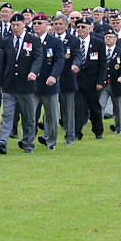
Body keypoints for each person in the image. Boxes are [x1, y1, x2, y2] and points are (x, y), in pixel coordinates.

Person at [0, 13, 42, 154]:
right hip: (9, 85)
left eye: (18, 25)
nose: (15, 28)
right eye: (13, 25)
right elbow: (4, 64)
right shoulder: (7, 41)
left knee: (28, 117)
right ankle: (2, 142)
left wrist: (33, 72)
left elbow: (38, 58)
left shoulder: (33, 40)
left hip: (26, 85)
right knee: (7, 114)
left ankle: (27, 143)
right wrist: (1, 84)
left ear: (24, 25)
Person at [31, 13, 64, 150]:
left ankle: (51, 141)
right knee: (29, 114)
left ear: (47, 25)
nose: (37, 26)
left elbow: (59, 61)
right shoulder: (29, 40)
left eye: (40, 23)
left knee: (52, 116)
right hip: (32, 84)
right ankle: (27, 140)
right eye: (34, 23)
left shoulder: (55, 42)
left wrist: (53, 76)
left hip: (48, 83)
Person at [52, 13, 83, 145]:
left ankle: (69, 136)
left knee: (68, 110)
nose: (58, 27)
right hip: (50, 79)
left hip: (67, 78)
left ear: (66, 25)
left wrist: (76, 64)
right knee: (51, 110)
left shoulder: (73, 40)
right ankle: (49, 135)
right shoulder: (48, 39)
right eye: (56, 24)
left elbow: (77, 55)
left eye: (60, 24)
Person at [73, 17, 107, 140]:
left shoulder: (99, 43)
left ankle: (98, 131)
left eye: (83, 27)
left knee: (95, 108)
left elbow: (103, 64)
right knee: (78, 108)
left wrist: (100, 81)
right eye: (78, 27)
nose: (80, 29)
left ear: (90, 28)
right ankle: (77, 133)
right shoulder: (74, 42)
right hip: (77, 81)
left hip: (93, 82)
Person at [101, 28, 121, 134]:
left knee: (118, 108)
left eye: (110, 37)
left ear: (116, 39)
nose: (108, 39)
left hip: (116, 84)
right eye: (106, 37)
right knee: (100, 106)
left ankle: (119, 128)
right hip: (103, 84)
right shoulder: (101, 51)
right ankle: (99, 129)